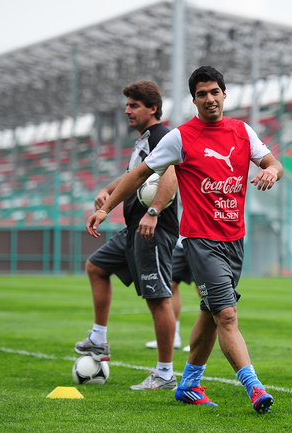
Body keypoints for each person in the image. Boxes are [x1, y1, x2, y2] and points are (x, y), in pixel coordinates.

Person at [86, 66, 284, 413]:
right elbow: (140, 174)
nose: (209, 99)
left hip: (235, 240)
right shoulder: (180, 137)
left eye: (214, 92)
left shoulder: (242, 132)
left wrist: (270, 170)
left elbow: (274, 163)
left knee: (210, 314)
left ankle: (189, 384)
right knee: (227, 315)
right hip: (200, 241)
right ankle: (255, 387)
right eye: (201, 94)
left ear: (224, 94)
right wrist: (106, 209)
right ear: (193, 100)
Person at [75, 80, 180, 391]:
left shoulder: (162, 137)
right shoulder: (144, 140)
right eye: (127, 105)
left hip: (152, 229)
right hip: (133, 228)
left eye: (134, 105)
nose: (127, 111)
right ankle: (98, 339)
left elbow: (171, 174)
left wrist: (153, 211)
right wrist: (108, 192)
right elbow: (134, 176)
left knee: (158, 299)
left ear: (153, 108)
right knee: (96, 266)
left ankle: (164, 374)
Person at [145, 239, 200, 352]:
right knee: (170, 285)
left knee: (203, 289)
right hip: (182, 244)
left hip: (201, 244)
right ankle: (173, 336)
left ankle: (201, 341)